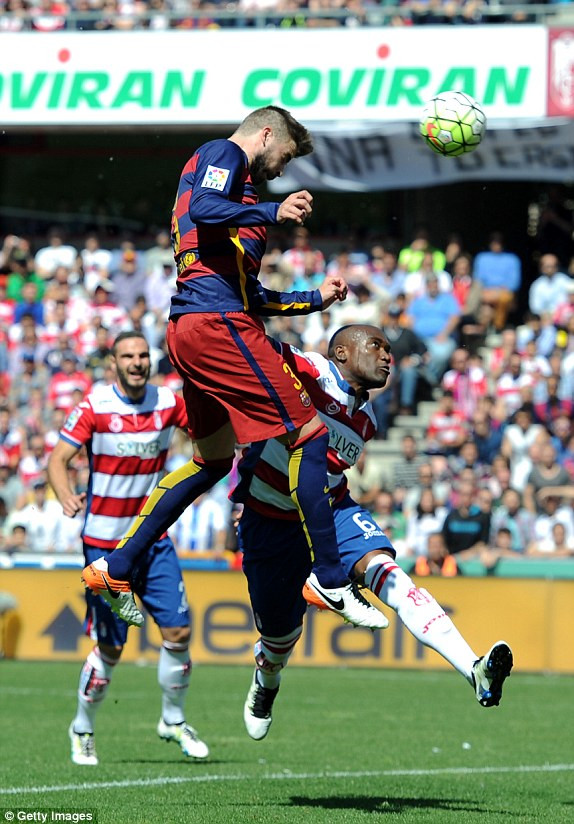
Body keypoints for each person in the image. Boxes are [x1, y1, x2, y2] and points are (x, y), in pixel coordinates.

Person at [81, 106, 385, 631]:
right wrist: (273, 211)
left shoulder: (238, 199)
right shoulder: (224, 157)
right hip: (214, 325)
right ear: (266, 133)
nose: (282, 169)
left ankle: (116, 566)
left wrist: (315, 298)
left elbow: (249, 293)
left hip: (201, 324)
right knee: (311, 437)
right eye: (285, 155)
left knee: (212, 461)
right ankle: (332, 580)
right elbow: (203, 206)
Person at [233, 325, 512, 740]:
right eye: (376, 345)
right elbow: (256, 346)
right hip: (271, 518)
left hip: (331, 509)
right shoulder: (311, 370)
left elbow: (325, 474)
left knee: (390, 575)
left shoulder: (367, 419)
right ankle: (266, 682)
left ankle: (474, 670)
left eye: (388, 348)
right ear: (342, 353)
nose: (387, 355)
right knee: (279, 637)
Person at [47, 331, 209, 766]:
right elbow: (57, 459)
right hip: (103, 544)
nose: (137, 362)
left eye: (143, 355)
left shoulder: (169, 402)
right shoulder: (95, 405)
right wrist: (64, 494)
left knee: (178, 631)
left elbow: (208, 438)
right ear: (113, 363)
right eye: (127, 356)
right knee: (112, 648)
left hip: (152, 539)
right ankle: (81, 729)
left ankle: (173, 720)